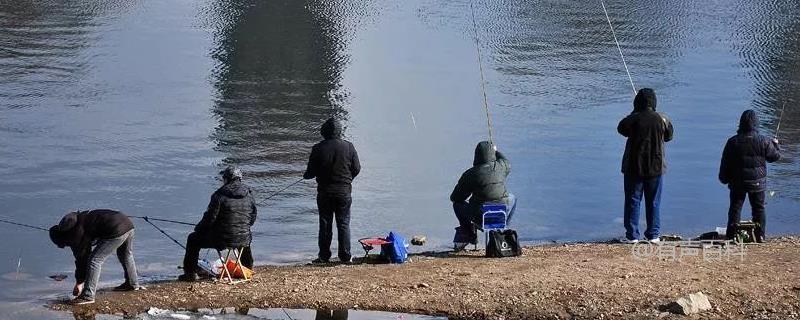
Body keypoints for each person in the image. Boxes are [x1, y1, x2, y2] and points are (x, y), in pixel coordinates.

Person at [179, 166, 257, 281]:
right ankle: (247, 268)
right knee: (243, 236)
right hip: (243, 238)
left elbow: (209, 219)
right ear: (240, 179)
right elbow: (252, 218)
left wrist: (198, 229)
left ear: (226, 179)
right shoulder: (249, 195)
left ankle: (189, 274)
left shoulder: (219, 195)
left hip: (222, 240)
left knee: (192, 239)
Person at [48, 209, 141, 305]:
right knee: (125, 254)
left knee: (94, 261)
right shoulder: (79, 219)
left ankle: (88, 296)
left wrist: (79, 283)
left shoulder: (76, 235)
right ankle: (132, 284)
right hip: (127, 224)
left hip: (115, 229)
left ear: (64, 237)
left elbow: (82, 260)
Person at [617, 88, 674, 244]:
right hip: (656, 167)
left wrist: (634, 112)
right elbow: (669, 136)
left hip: (633, 167)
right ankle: (653, 235)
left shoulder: (633, 119)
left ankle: (632, 236)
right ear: (654, 102)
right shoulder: (662, 119)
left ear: (638, 103)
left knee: (633, 201)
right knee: (654, 201)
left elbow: (621, 128)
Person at [303, 117, 361, 264]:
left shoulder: (318, 148)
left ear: (324, 132)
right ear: (339, 132)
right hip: (344, 191)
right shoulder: (349, 147)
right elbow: (357, 169)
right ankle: (345, 256)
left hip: (325, 192)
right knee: (343, 223)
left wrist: (307, 175)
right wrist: (348, 179)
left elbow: (310, 172)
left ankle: (324, 256)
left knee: (325, 224)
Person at [719, 109, 780, 242]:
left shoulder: (732, 142)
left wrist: (723, 178)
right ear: (756, 124)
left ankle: (732, 236)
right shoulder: (764, 141)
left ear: (741, 123)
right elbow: (774, 157)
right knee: (759, 208)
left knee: (735, 208)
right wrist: (775, 145)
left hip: (737, 183)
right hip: (757, 183)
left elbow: (725, 163)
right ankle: (760, 236)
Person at [450, 141, 516, 251]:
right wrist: (496, 151)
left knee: (457, 205)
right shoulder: (501, 167)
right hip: (501, 213)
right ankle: (503, 226)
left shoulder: (470, 174)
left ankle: (468, 233)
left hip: (481, 217)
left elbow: (455, 198)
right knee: (512, 198)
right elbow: (506, 162)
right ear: (492, 155)